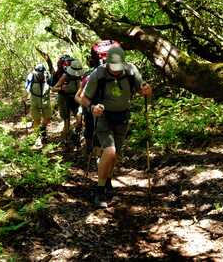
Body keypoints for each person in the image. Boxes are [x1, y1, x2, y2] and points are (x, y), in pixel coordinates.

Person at [81, 46, 152, 208]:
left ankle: (107, 181)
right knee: (110, 150)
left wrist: (147, 91)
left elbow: (143, 91)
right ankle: (99, 190)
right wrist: (92, 108)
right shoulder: (98, 74)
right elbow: (85, 98)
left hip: (123, 116)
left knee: (116, 154)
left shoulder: (131, 71)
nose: (115, 71)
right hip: (103, 116)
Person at [52, 59, 84, 144]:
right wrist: (61, 88)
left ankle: (74, 135)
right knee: (67, 121)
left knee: (79, 120)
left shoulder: (79, 77)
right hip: (64, 98)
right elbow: (53, 89)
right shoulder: (65, 76)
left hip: (74, 98)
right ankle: (65, 140)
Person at [25, 63, 53, 144]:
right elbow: (27, 88)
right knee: (36, 119)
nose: (40, 75)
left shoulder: (47, 76)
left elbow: (52, 86)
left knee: (47, 118)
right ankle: (38, 137)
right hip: (35, 101)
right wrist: (24, 96)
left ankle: (43, 129)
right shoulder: (31, 76)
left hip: (45, 100)